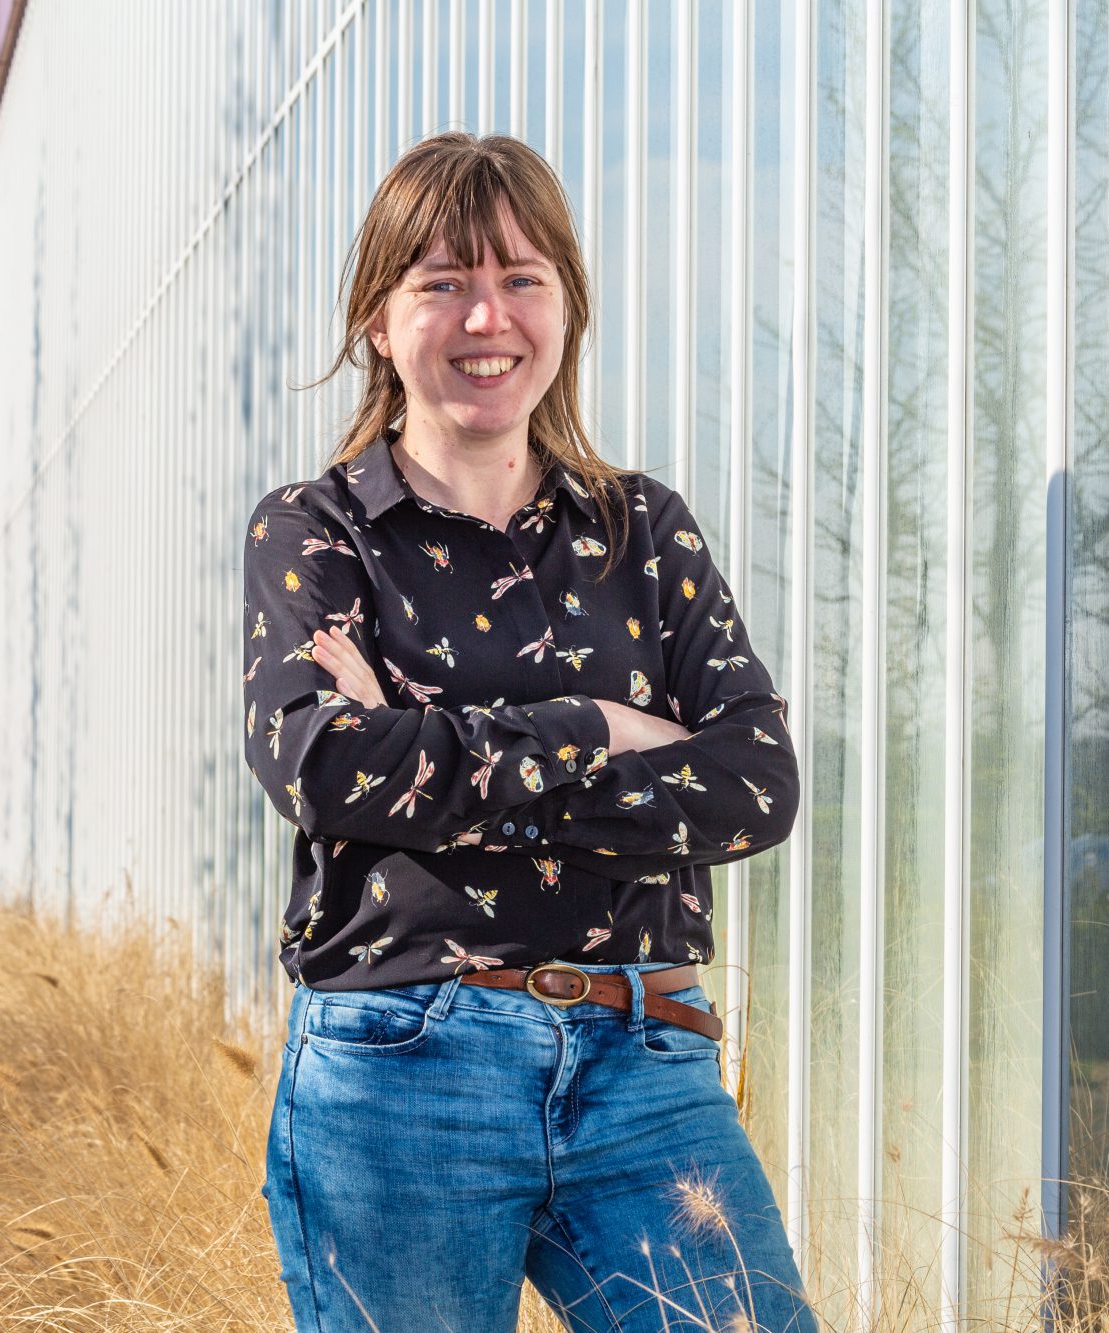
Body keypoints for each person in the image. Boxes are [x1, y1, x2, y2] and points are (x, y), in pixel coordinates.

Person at [242, 132, 817, 1333]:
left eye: (520, 277)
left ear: (566, 307)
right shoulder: (316, 531)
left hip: (644, 1057)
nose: (483, 316)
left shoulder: (643, 530)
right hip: (404, 1061)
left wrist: (434, 743)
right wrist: (600, 724)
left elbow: (755, 787)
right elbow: (322, 767)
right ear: (379, 319)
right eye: (441, 281)